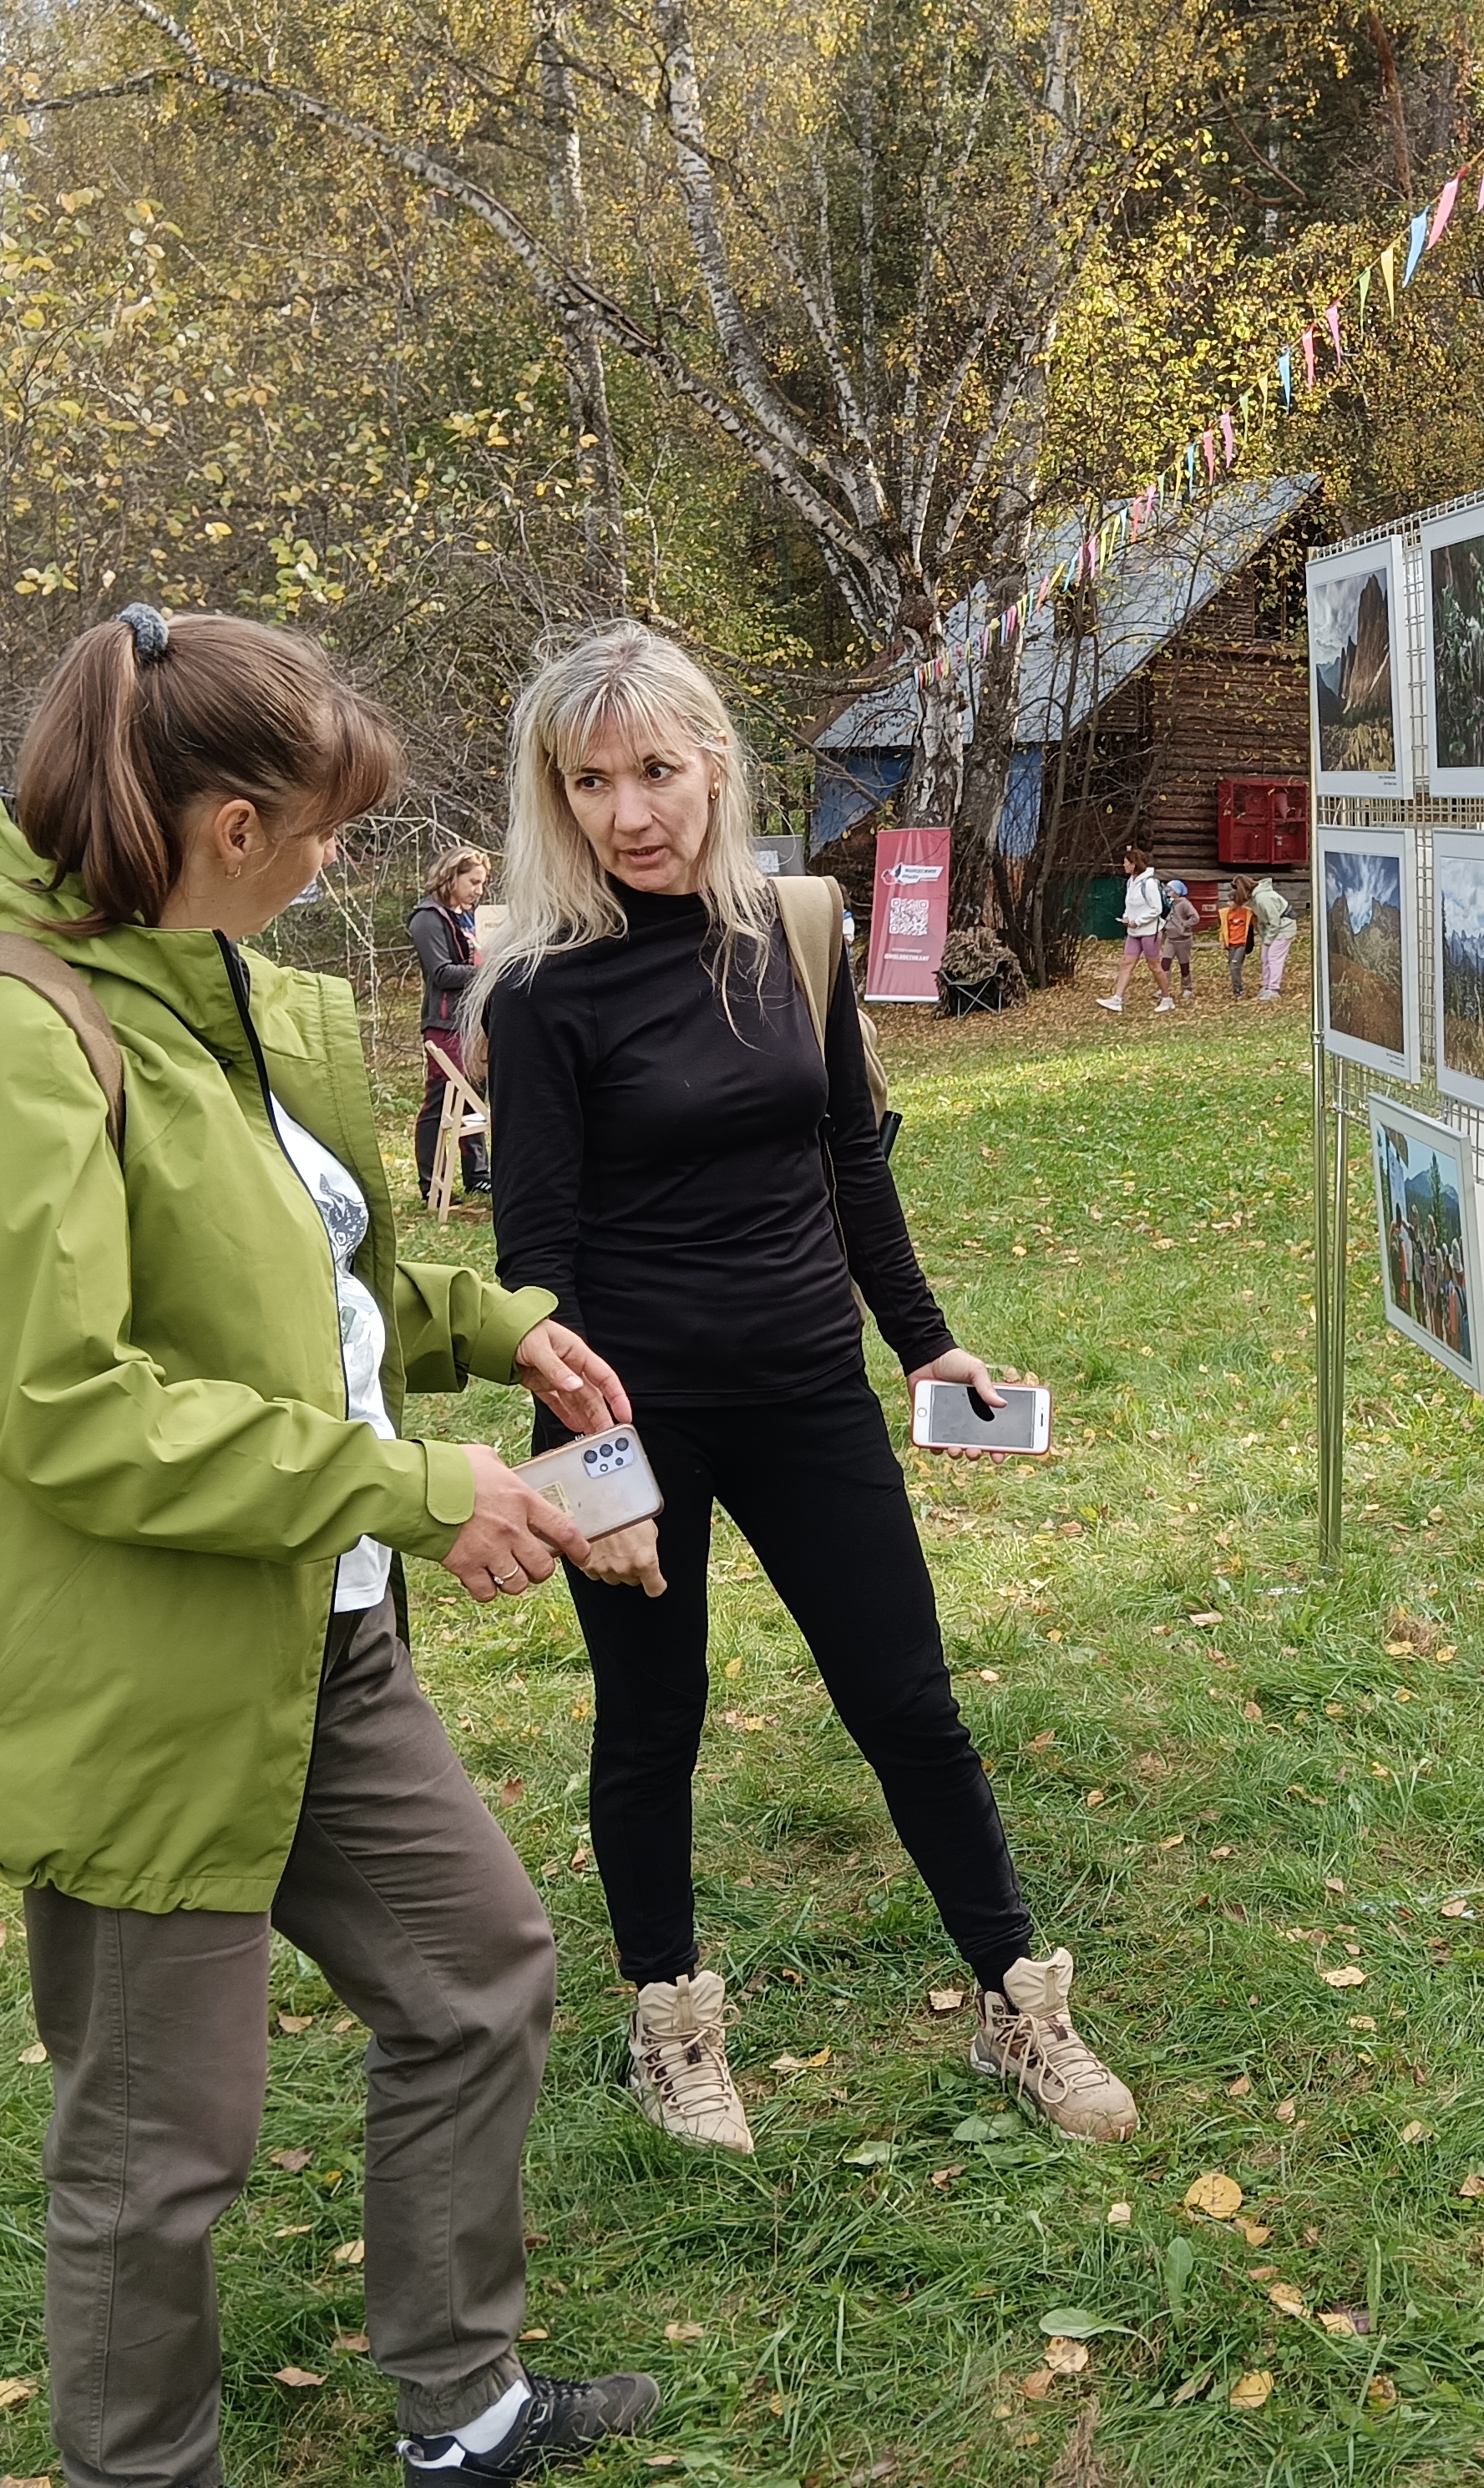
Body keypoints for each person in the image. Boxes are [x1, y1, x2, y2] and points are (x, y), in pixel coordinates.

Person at [0, 606, 657, 2488]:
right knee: (160, 2131)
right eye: (317, 825)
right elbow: (71, 1404)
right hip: (134, 1671)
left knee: (476, 1976)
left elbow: (303, 1276)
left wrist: (488, 1327)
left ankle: (460, 2410)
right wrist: (406, 1477)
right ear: (222, 820)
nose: (337, 863)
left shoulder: (215, 982)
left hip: (325, 1634)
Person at [479, 621, 1141, 2153]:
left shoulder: (791, 935)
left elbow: (850, 1157)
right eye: (590, 782)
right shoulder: (539, 995)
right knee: (654, 1722)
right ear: (555, 797)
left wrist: (926, 1342)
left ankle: (1018, 2005)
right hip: (632, 1415)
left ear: (715, 763)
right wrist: (597, 1477)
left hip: (806, 1392)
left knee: (906, 1698)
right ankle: (671, 2026)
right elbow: (538, 1268)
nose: (630, 811)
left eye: (656, 769)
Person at [411, 845, 493, 1201]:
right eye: (473, 881)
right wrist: (488, 971)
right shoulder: (428, 918)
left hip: (474, 1022)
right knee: (443, 1101)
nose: (478, 890)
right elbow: (442, 973)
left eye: (483, 884)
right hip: (445, 1024)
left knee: (475, 1097)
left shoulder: (468, 917)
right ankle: (431, 1183)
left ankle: (478, 1175)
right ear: (452, 876)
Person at [1097, 849, 1162, 1012]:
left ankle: (1167, 997)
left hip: (1149, 931)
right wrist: (1126, 917)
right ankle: (1117, 999)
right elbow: (1129, 905)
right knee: (1127, 963)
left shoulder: (1150, 883)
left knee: (1154, 966)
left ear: (1133, 864)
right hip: (1133, 932)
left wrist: (1138, 921)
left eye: (1126, 862)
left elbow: (1157, 908)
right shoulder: (1130, 882)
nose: (1123, 865)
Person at [1157, 875, 1199, 1012]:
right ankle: (1163, 988)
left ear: (1176, 891)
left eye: (1170, 889)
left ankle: (1187, 988)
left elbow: (1195, 917)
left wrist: (1184, 925)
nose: (1168, 891)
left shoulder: (1184, 904)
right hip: (1170, 939)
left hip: (1183, 940)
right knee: (1165, 964)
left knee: (1184, 965)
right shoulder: (1168, 904)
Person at [1253, 872, 1297, 1001]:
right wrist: (1265, 938)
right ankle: (1266, 986)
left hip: (1284, 928)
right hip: (1274, 930)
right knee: (1265, 957)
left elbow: (1274, 920)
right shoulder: (1255, 899)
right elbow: (1262, 920)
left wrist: (1268, 939)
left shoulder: (1263, 898)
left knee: (1274, 957)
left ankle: (1273, 989)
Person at [1220, 880, 1254, 996]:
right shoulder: (1225, 914)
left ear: (1237, 901)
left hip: (1242, 944)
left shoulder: (1248, 912)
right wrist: (1223, 942)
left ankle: (1238, 990)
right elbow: (1223, 928)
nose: (1227, 903)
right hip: (1231, 945)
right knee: (1233, 967)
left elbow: (1256, 924)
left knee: (1235, 965)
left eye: (1230, 901)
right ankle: (1237, 988)